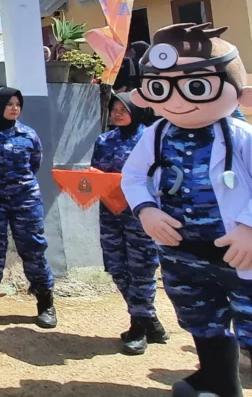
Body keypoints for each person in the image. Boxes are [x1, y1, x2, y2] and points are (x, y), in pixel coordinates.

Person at [122, 23, 252, 397]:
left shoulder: (239, 136)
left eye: (195, 86)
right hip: (183, 253)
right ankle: (217, 381)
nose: (177, 100)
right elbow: (132, 177)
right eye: (162, 87)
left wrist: (247, 228)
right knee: (201, 318)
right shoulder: (158, 133)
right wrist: (146, 210)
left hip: (237, 252)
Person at [0, 88, 57, 329]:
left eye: (18, 104)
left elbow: (35, 163)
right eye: (9, 103)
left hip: (25, 200)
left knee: (34, 249)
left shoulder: (28, 134)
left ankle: (45, 303)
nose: (15, 108)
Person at [91, 92, 169, 355]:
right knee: (116, 267)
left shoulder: (151, 139)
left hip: (141, 215)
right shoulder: (103, 140)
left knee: (142, 270)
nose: (117, 113)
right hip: (111, 214)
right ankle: (149, 319)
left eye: (123, 108)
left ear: (136, 110)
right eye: (114, 108)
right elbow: (96, 173)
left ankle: (138, 328)